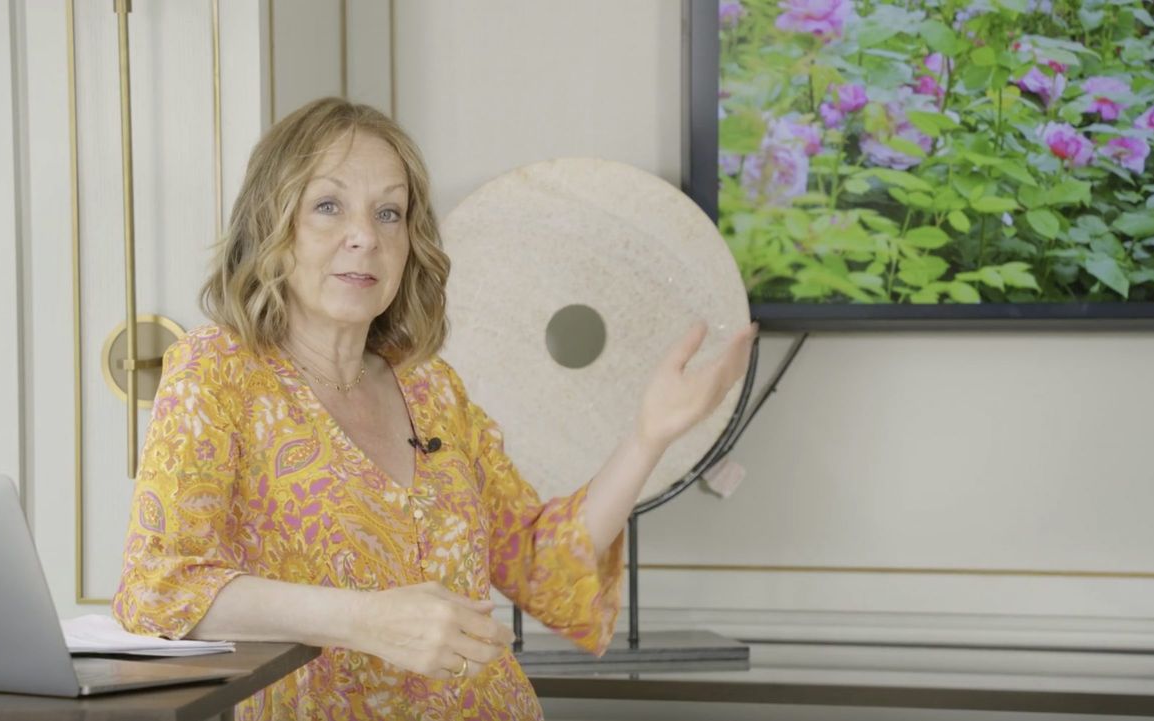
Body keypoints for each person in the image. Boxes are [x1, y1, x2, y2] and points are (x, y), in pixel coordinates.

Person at [112, 97, 757, 720]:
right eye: (328, 206)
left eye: (389, 213)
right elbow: (159, 587)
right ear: (272, 232)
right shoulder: (217, 371)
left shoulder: (432, 387)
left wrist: (649, 436)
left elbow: (538, 559)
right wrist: (362, 619)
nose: (364, 236)